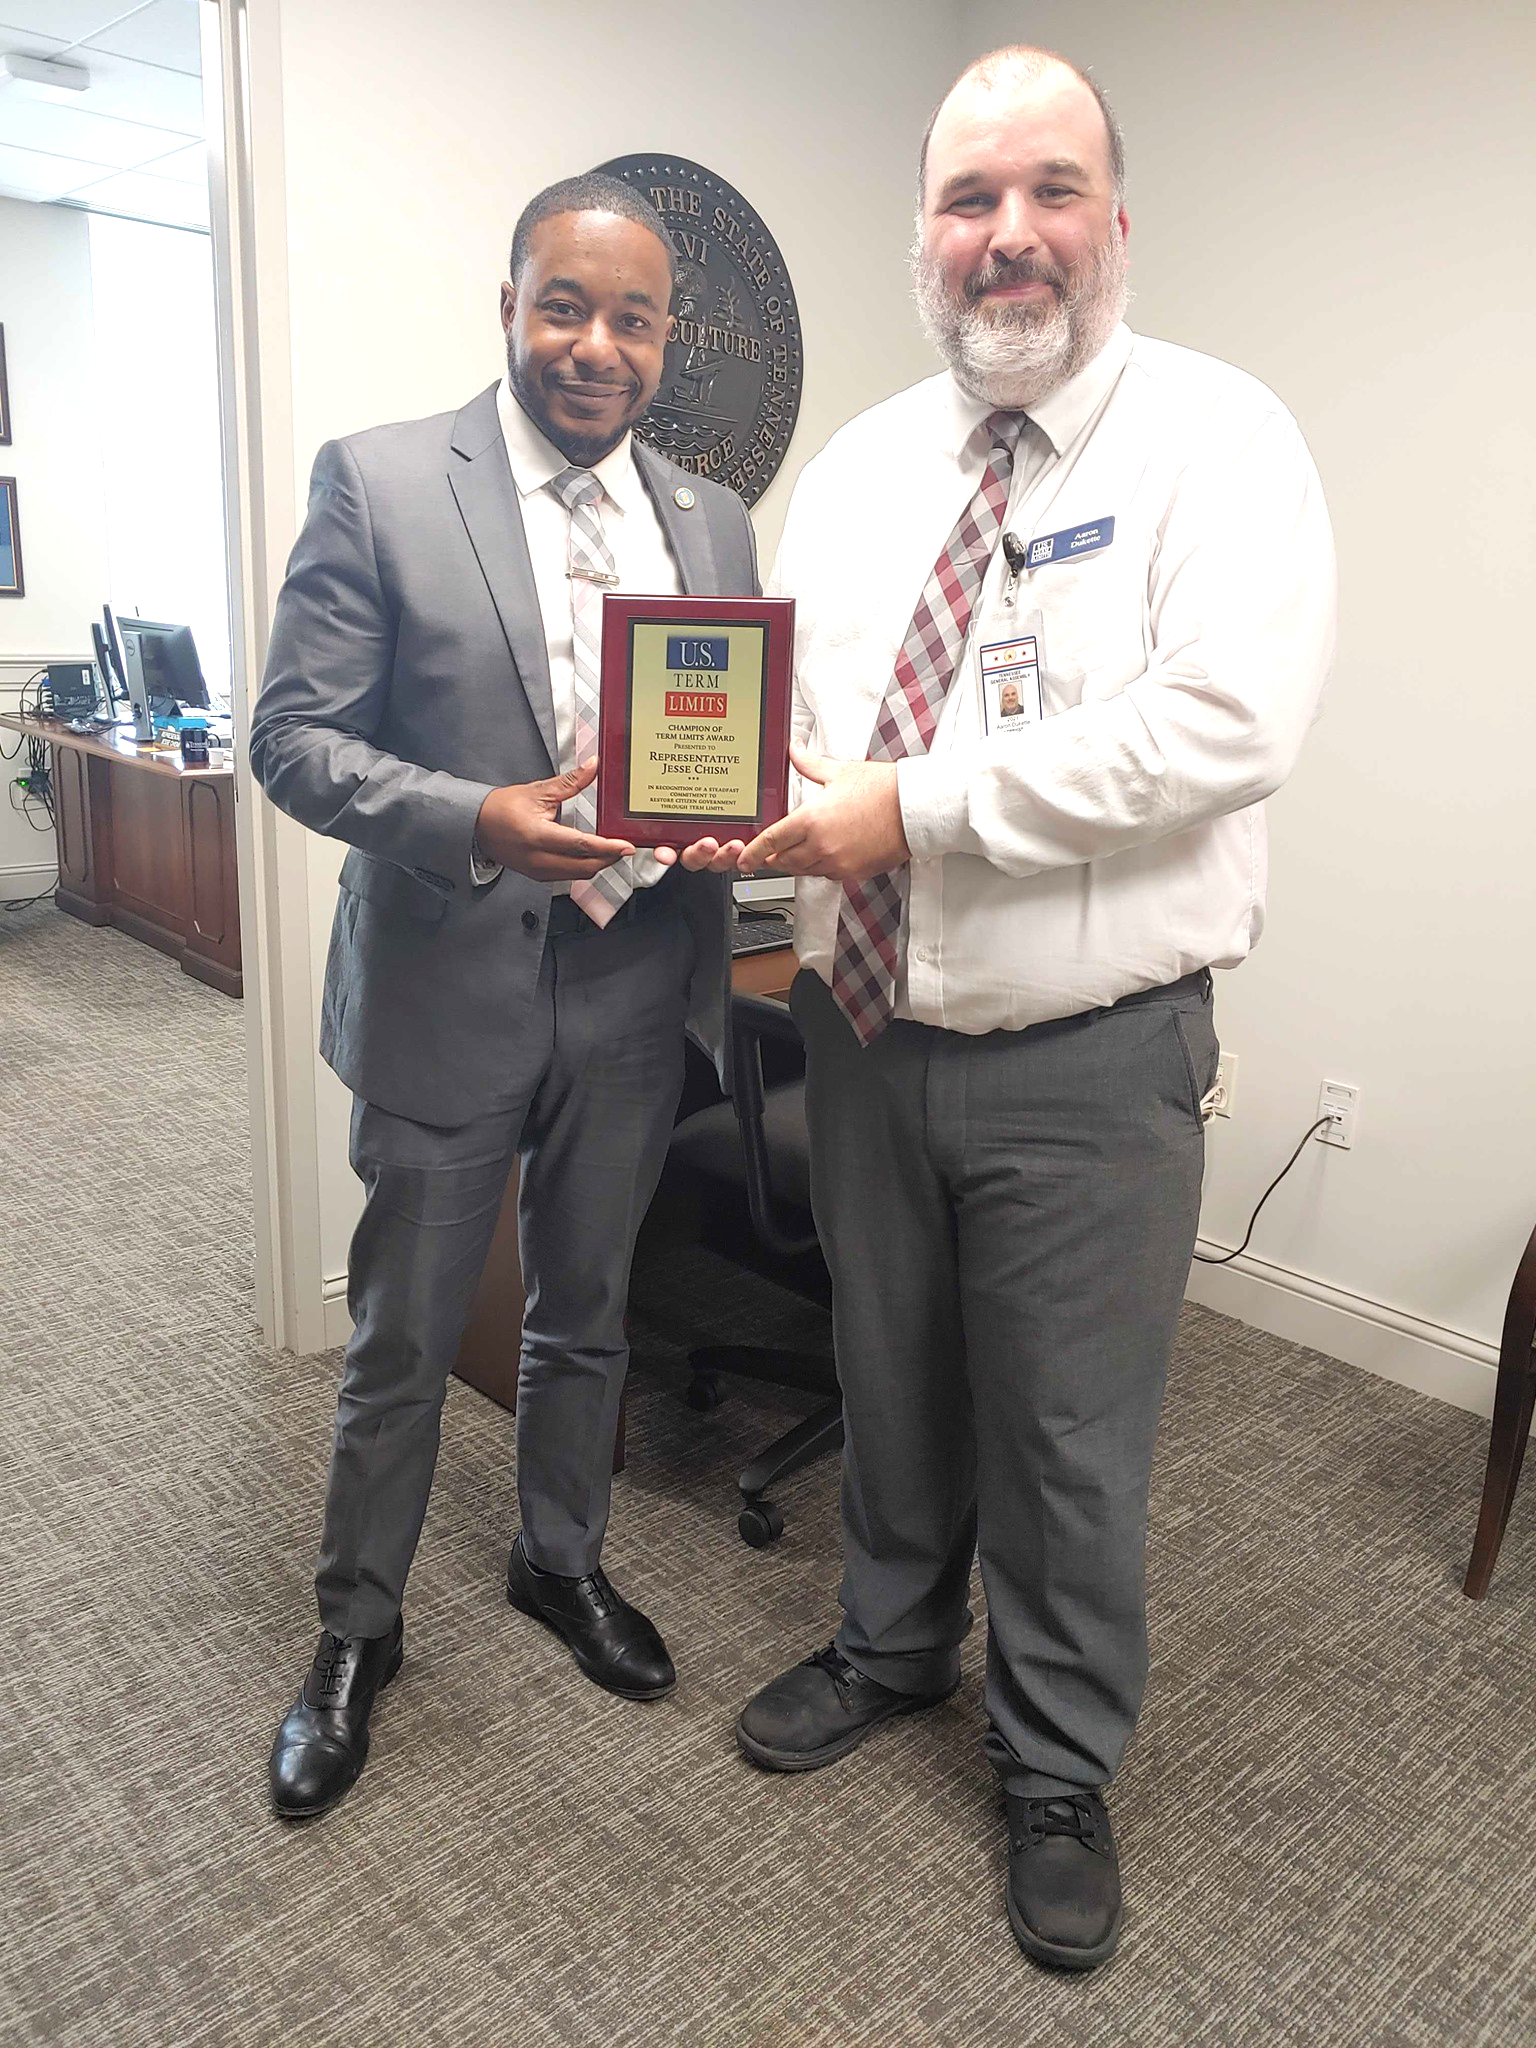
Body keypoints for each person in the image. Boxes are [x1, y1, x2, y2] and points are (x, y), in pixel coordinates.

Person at [719, 46, 1335, 1969]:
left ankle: (1056, 1760)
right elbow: (797, 729)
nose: (1010, 234)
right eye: (970, 197)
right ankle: (893, 1643)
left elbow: (1223, 725)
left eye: (1050, 190)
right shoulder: (859, 470)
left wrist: (911, 810)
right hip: (868, 1030)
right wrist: (699, 795)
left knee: (1070, 1437)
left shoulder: (1219, 438)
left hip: (1091, 1057)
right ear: (922, 233)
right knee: (890, 1373)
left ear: (1115, 223)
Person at [250, 173, 757, 1820]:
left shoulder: (711, 519)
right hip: (448, 979)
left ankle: (560, 1556)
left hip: (634, 982)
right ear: (511, 306)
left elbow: (717, 740)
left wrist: (735, 818)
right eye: (566, 306)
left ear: (667, 340)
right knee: (403, 1334)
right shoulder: (385, 480)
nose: (596, 346)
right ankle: (356, 1631)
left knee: (587, 1305)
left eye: (633, 319)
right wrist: (477, 818)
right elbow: (293, 743)